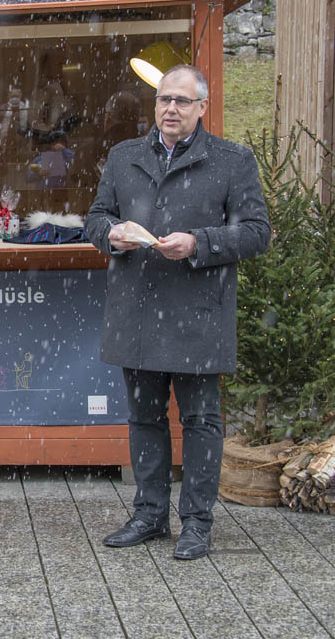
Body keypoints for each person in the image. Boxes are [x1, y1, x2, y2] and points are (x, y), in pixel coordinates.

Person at [84, 65, 270, 560]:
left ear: (202, 108)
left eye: (182, 101)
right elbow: (95, 217)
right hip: (138, 311)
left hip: (197, 314)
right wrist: (112, 234)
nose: (170, 108)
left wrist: (199, 243)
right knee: (144, 418)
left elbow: (256, 232)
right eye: (164, 99)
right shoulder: (125, 156)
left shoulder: (233, 161)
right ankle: (149, 515)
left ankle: (196, 524)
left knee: (201, 421)